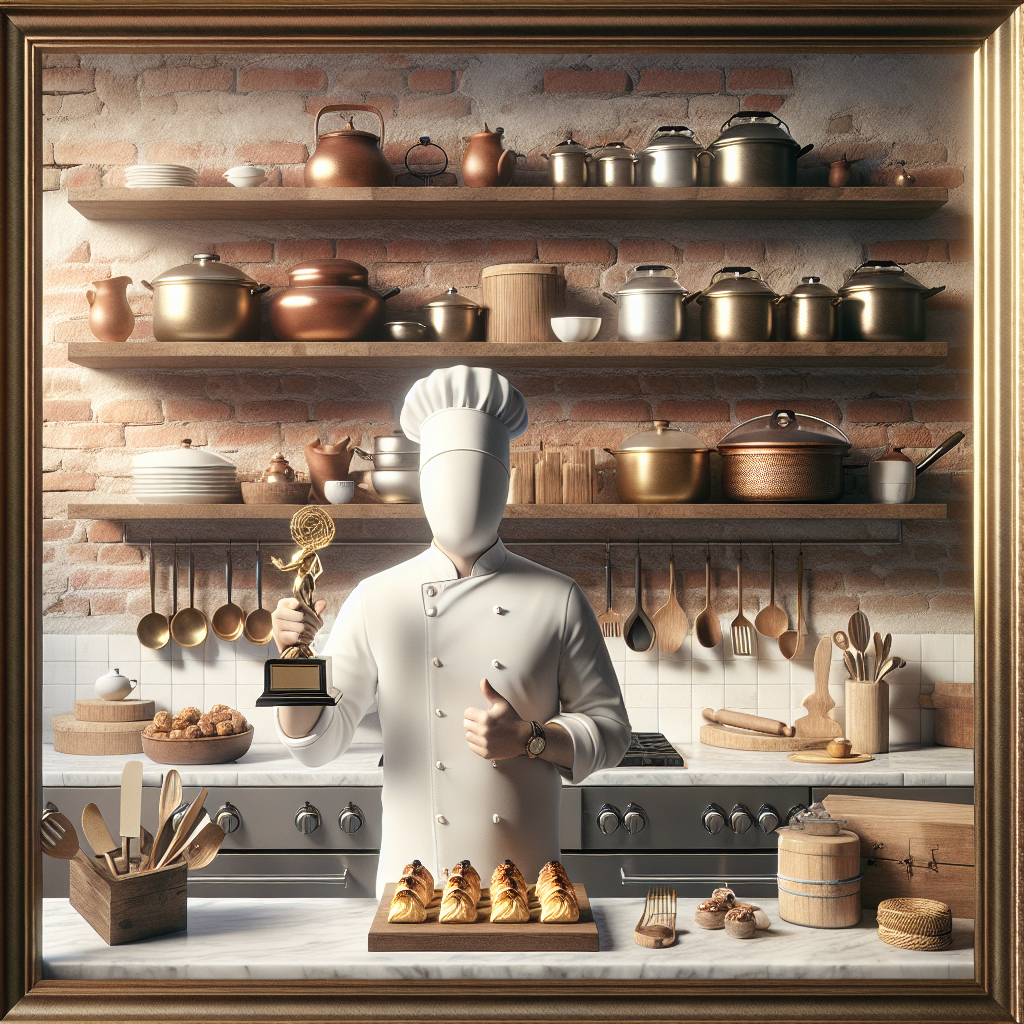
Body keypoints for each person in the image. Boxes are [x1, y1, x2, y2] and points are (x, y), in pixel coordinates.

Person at [272, 365, 631, 895]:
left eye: (482, 477)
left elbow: (613, 733)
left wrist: (530, 739)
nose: (465, 494)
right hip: (411, 889)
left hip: (529, 893)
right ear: (425, 486)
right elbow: (314, 745)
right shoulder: (377, 597)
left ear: (503, 485)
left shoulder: (557, 596)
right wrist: (291, 660)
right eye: (449, 477)